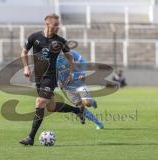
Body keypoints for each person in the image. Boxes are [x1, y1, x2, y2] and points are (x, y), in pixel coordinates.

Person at [20, 13, 84, 146]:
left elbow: (70, 58)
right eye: (55, 25)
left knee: (40, 103)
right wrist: (26, 68)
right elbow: (24, 52)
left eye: (58, 25)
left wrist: (71, 72)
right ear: (47, 24)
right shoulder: (34, 37)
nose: (58, 27)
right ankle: (77, 110)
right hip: (38, 77)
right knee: (52, 107)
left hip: (50, 77)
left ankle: (30, 138)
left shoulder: (60, 41)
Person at [57, 50, 104, 130]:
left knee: (87, 103)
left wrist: (83, 74)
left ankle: (92, 101)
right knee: (80, 108)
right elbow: (54, 72)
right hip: (68, 87)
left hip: (79, 83)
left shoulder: (71, 53)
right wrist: (58, 82)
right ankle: (99, 124)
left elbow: (83, 61)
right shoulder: (53, 58)